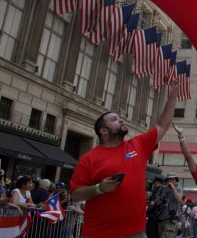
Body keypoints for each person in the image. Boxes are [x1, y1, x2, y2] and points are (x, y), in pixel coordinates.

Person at [70, 88, 178, 238]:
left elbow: (162, 126)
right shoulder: (89, 158)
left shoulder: (138, 145)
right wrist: (99, 188)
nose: (120, 120)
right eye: (114, 119)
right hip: (98, 233)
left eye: (119, 118)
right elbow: (75, 195)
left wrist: (172, 98)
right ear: (103, 131)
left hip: (135, 232)